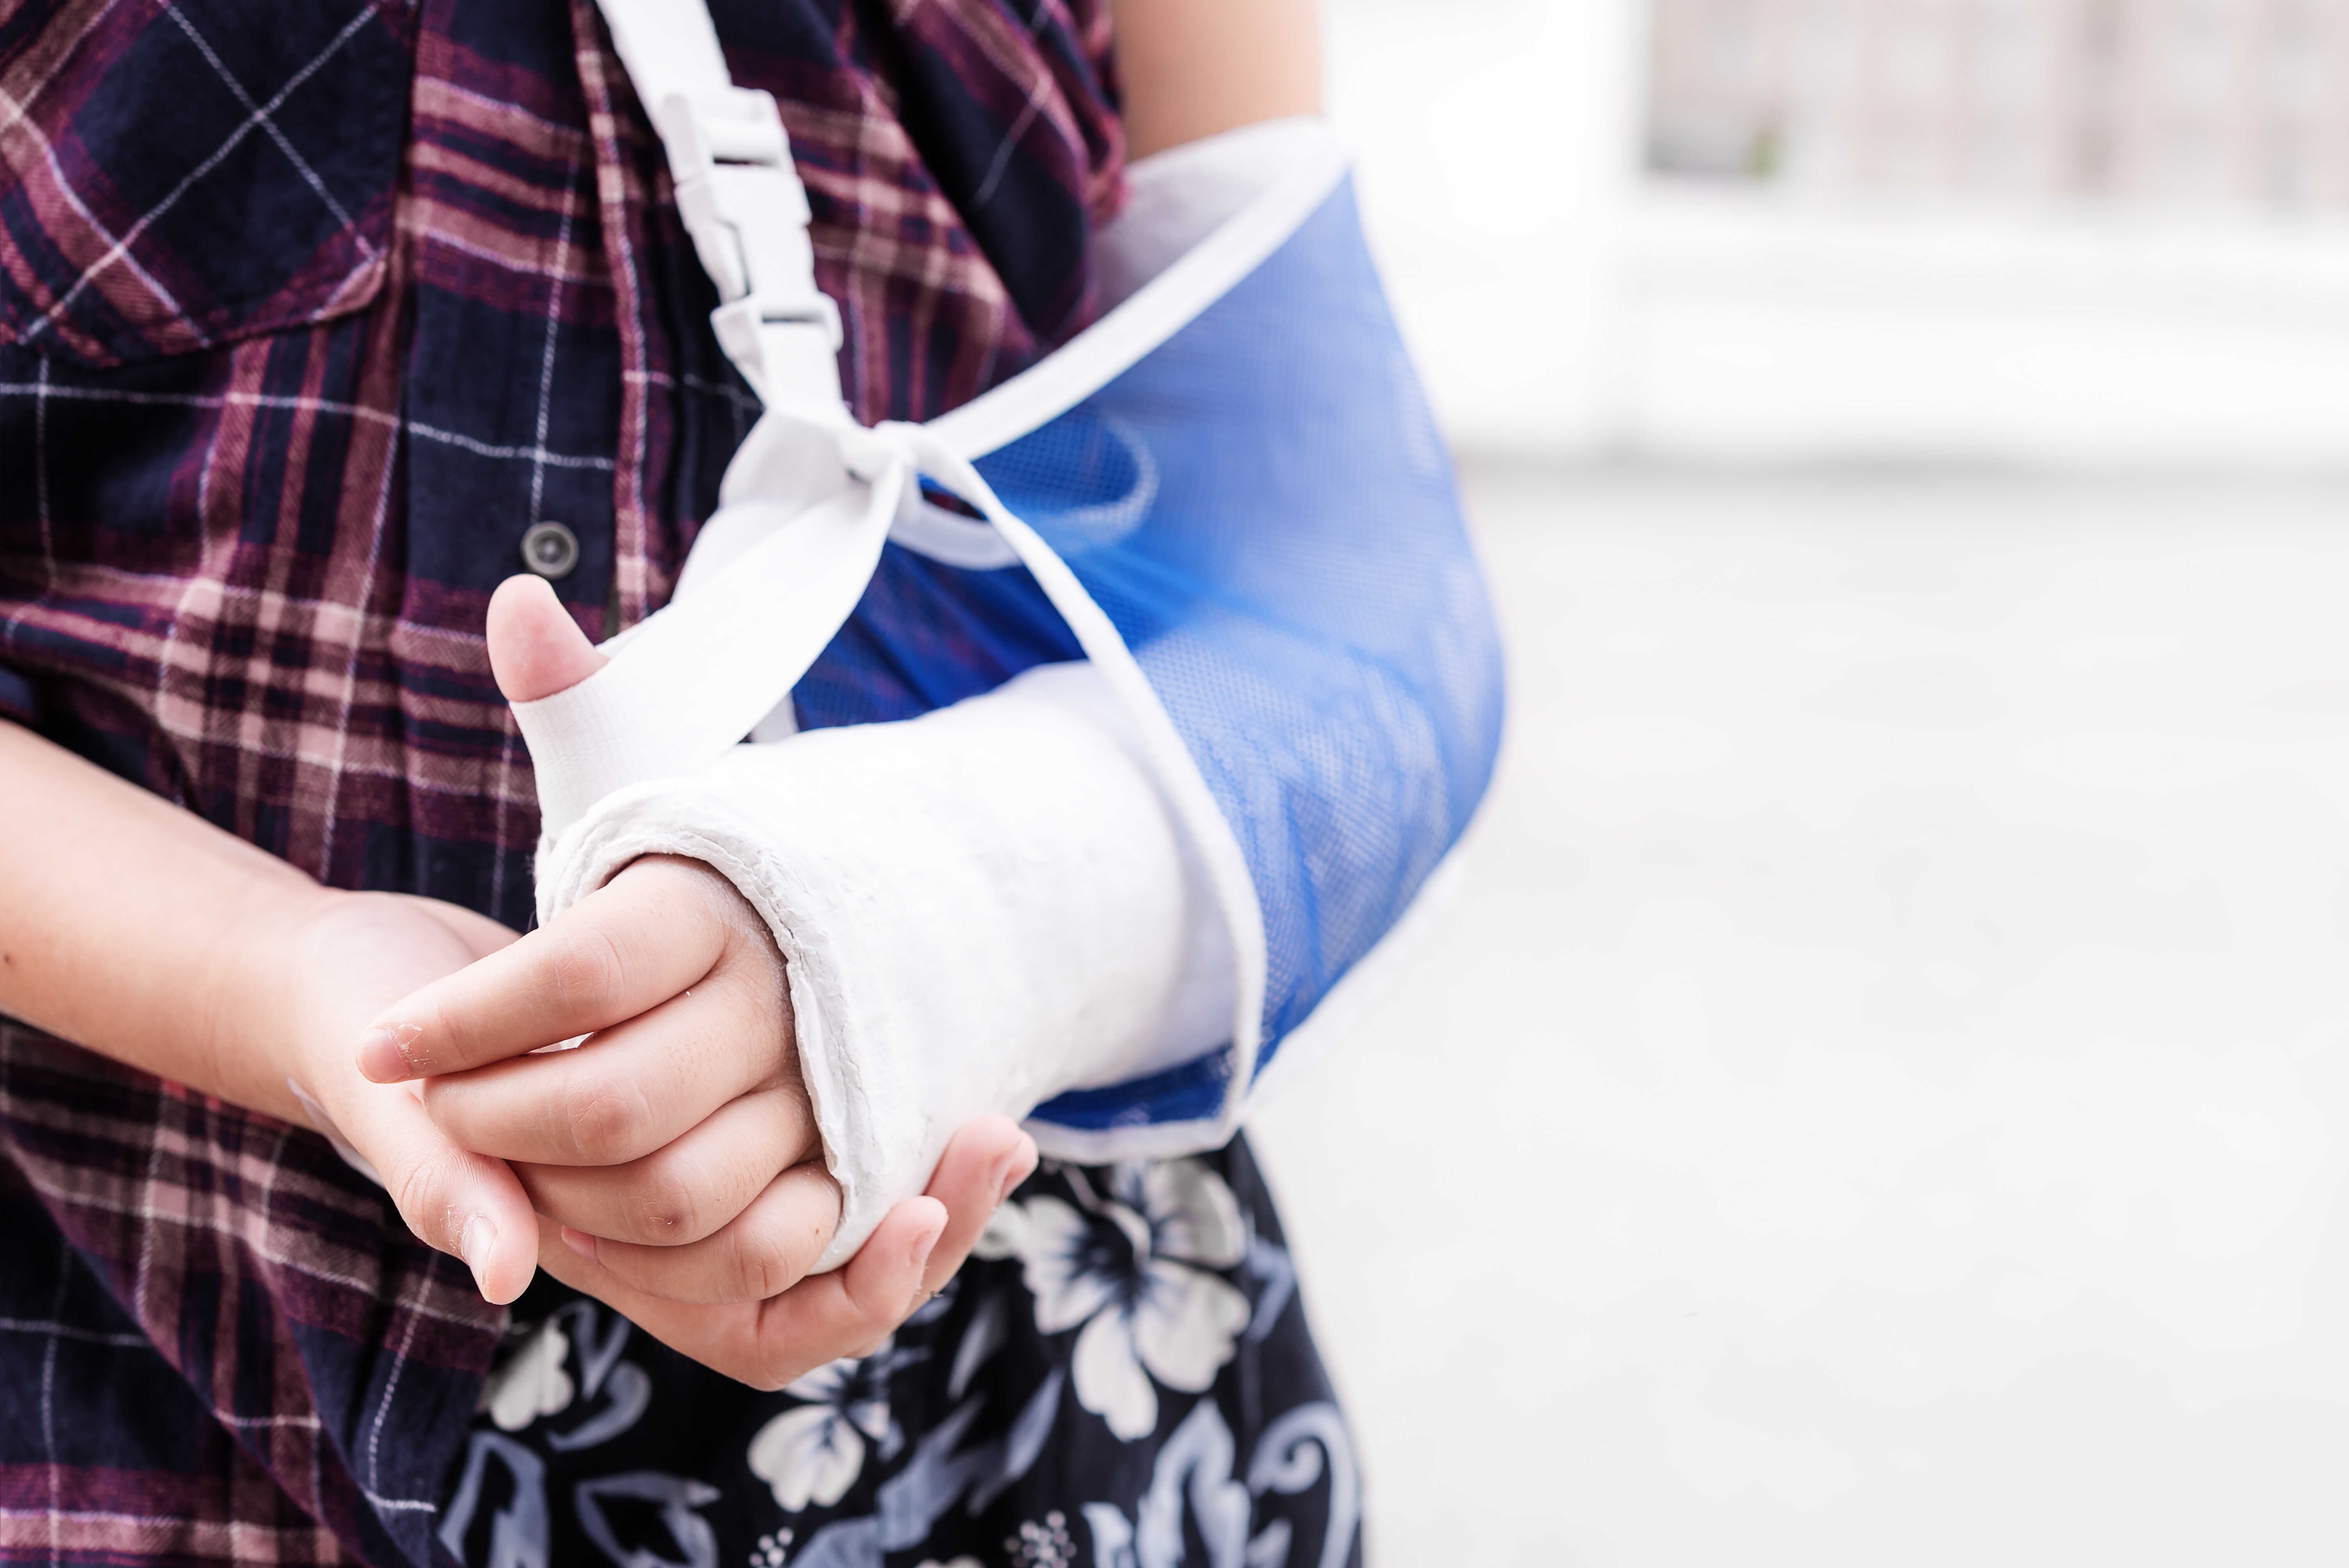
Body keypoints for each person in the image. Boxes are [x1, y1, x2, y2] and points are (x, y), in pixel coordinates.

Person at [0, 1, 1482, 1564]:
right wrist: (272, 969)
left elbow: (1347, 585)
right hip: (157, 1356)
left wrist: (903, 928)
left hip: (1019, 1379)